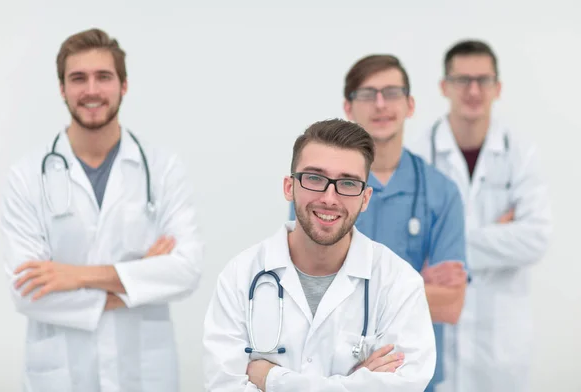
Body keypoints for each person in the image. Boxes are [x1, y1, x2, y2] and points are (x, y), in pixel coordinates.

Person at [0, 28, 203, 392]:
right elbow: (25, 289)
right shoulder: (26, 176)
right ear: (62, 88)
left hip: (143, 373)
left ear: (123, 85)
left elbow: (186, 270)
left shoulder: (162, 168)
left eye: (103, 77)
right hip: (61, 375)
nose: (91, 90)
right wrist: (141, 276)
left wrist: (76, 276)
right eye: (78, 78)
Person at [202, 119, 437, 392]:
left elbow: (404, 386)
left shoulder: (398, 283)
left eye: (348, 183)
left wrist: (271, 379)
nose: (329, 197)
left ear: (365, 198)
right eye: (314, 178)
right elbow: (223, 386)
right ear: (289, 187)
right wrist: (354, 383)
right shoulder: (240, 277)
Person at [289, 54, 468, 391]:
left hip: (414, 375)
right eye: (368, 94)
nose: (381, 104)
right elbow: (308, 291)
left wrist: (349, 289)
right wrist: (413, 285)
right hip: (334, 376)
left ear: (410, 104)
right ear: (348, 106)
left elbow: (451, 304)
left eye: (392, 92)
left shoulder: (441, 192)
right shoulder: (317, 188)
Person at [407, 39, 552, 392]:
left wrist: (449, 242)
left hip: (500, 341)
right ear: (444, 87)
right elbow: (410, 249)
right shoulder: (419, 156)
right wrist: (499, 232)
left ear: (497, 88)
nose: (473, 90)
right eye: (462, 80)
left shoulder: (520, 154)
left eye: (483, 80)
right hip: (435, 335)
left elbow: (536, 239)